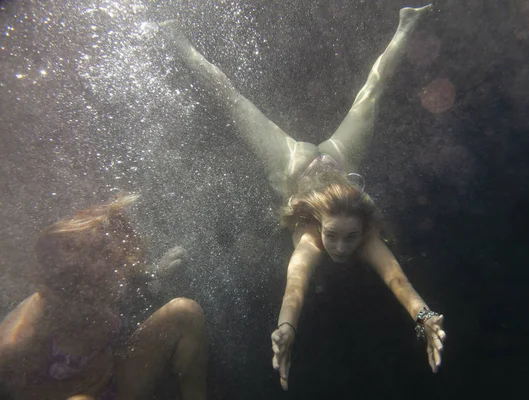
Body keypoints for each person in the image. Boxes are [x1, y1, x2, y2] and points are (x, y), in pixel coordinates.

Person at [159, 2, 445, 390]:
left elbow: (396, 279)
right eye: (332, 236)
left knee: (372, 91)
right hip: (308, 161)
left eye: (349, 238)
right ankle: (178, 41)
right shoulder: (311, 237)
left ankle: (406, 24)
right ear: (319, 225)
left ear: (363, 230)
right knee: (233, 99)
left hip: (319, 161)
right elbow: (296, 283)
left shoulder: (363, 237)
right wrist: (286, 326)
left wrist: (423, 315)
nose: (341, 247)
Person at [0, 195, 208, 400]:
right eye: (116, 264)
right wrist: (70, 389)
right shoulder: (28, 328)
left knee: (184, 312)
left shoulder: (100, 282)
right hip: (78, 393)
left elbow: (134, 271)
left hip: (114, 383)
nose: (121, 273)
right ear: (85, 267)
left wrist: (157, 272)